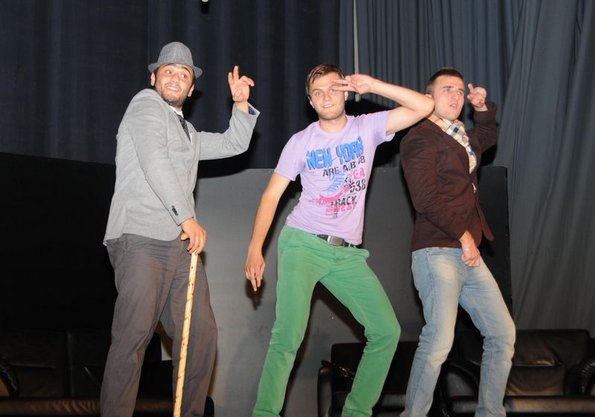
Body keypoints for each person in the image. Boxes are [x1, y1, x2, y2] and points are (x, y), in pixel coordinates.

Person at [244, 63, 434, 417]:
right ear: (311, 102)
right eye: (318, 93)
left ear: (346, 91)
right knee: (288, 337)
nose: (326, 97)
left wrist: (373, 85)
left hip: (347, 254)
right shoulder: (301, 142)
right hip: (302, 244)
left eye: (333, 88)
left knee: (386, 332)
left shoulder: (367, 128)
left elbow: (424, 106)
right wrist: (256, 248)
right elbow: (271, 196)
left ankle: (355, 413)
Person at [100, 41, 259, 417]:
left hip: (179, 245)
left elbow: (234, 143)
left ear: (191, 88)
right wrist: (186, 216)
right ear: (153, 78)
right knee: (134, 336)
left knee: (199, 337)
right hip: (140, 237)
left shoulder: (188, 132)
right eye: (167, 71)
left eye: (183, 74)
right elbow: (154, 160)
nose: (174, 77)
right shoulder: (144, 105)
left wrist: (240, 105)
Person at [399, 67, 516, 417]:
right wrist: (464, 235)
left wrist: (482, 109)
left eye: (460, 92)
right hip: (437, 251)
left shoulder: (460, 136)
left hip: (467, 253)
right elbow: (425, 199)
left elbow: (486, 137)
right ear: (428, 97)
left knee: (502, 334)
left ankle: (490, 413)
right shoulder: (419, 138)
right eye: (447, 89)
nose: (455, 96)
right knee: (439, 340)